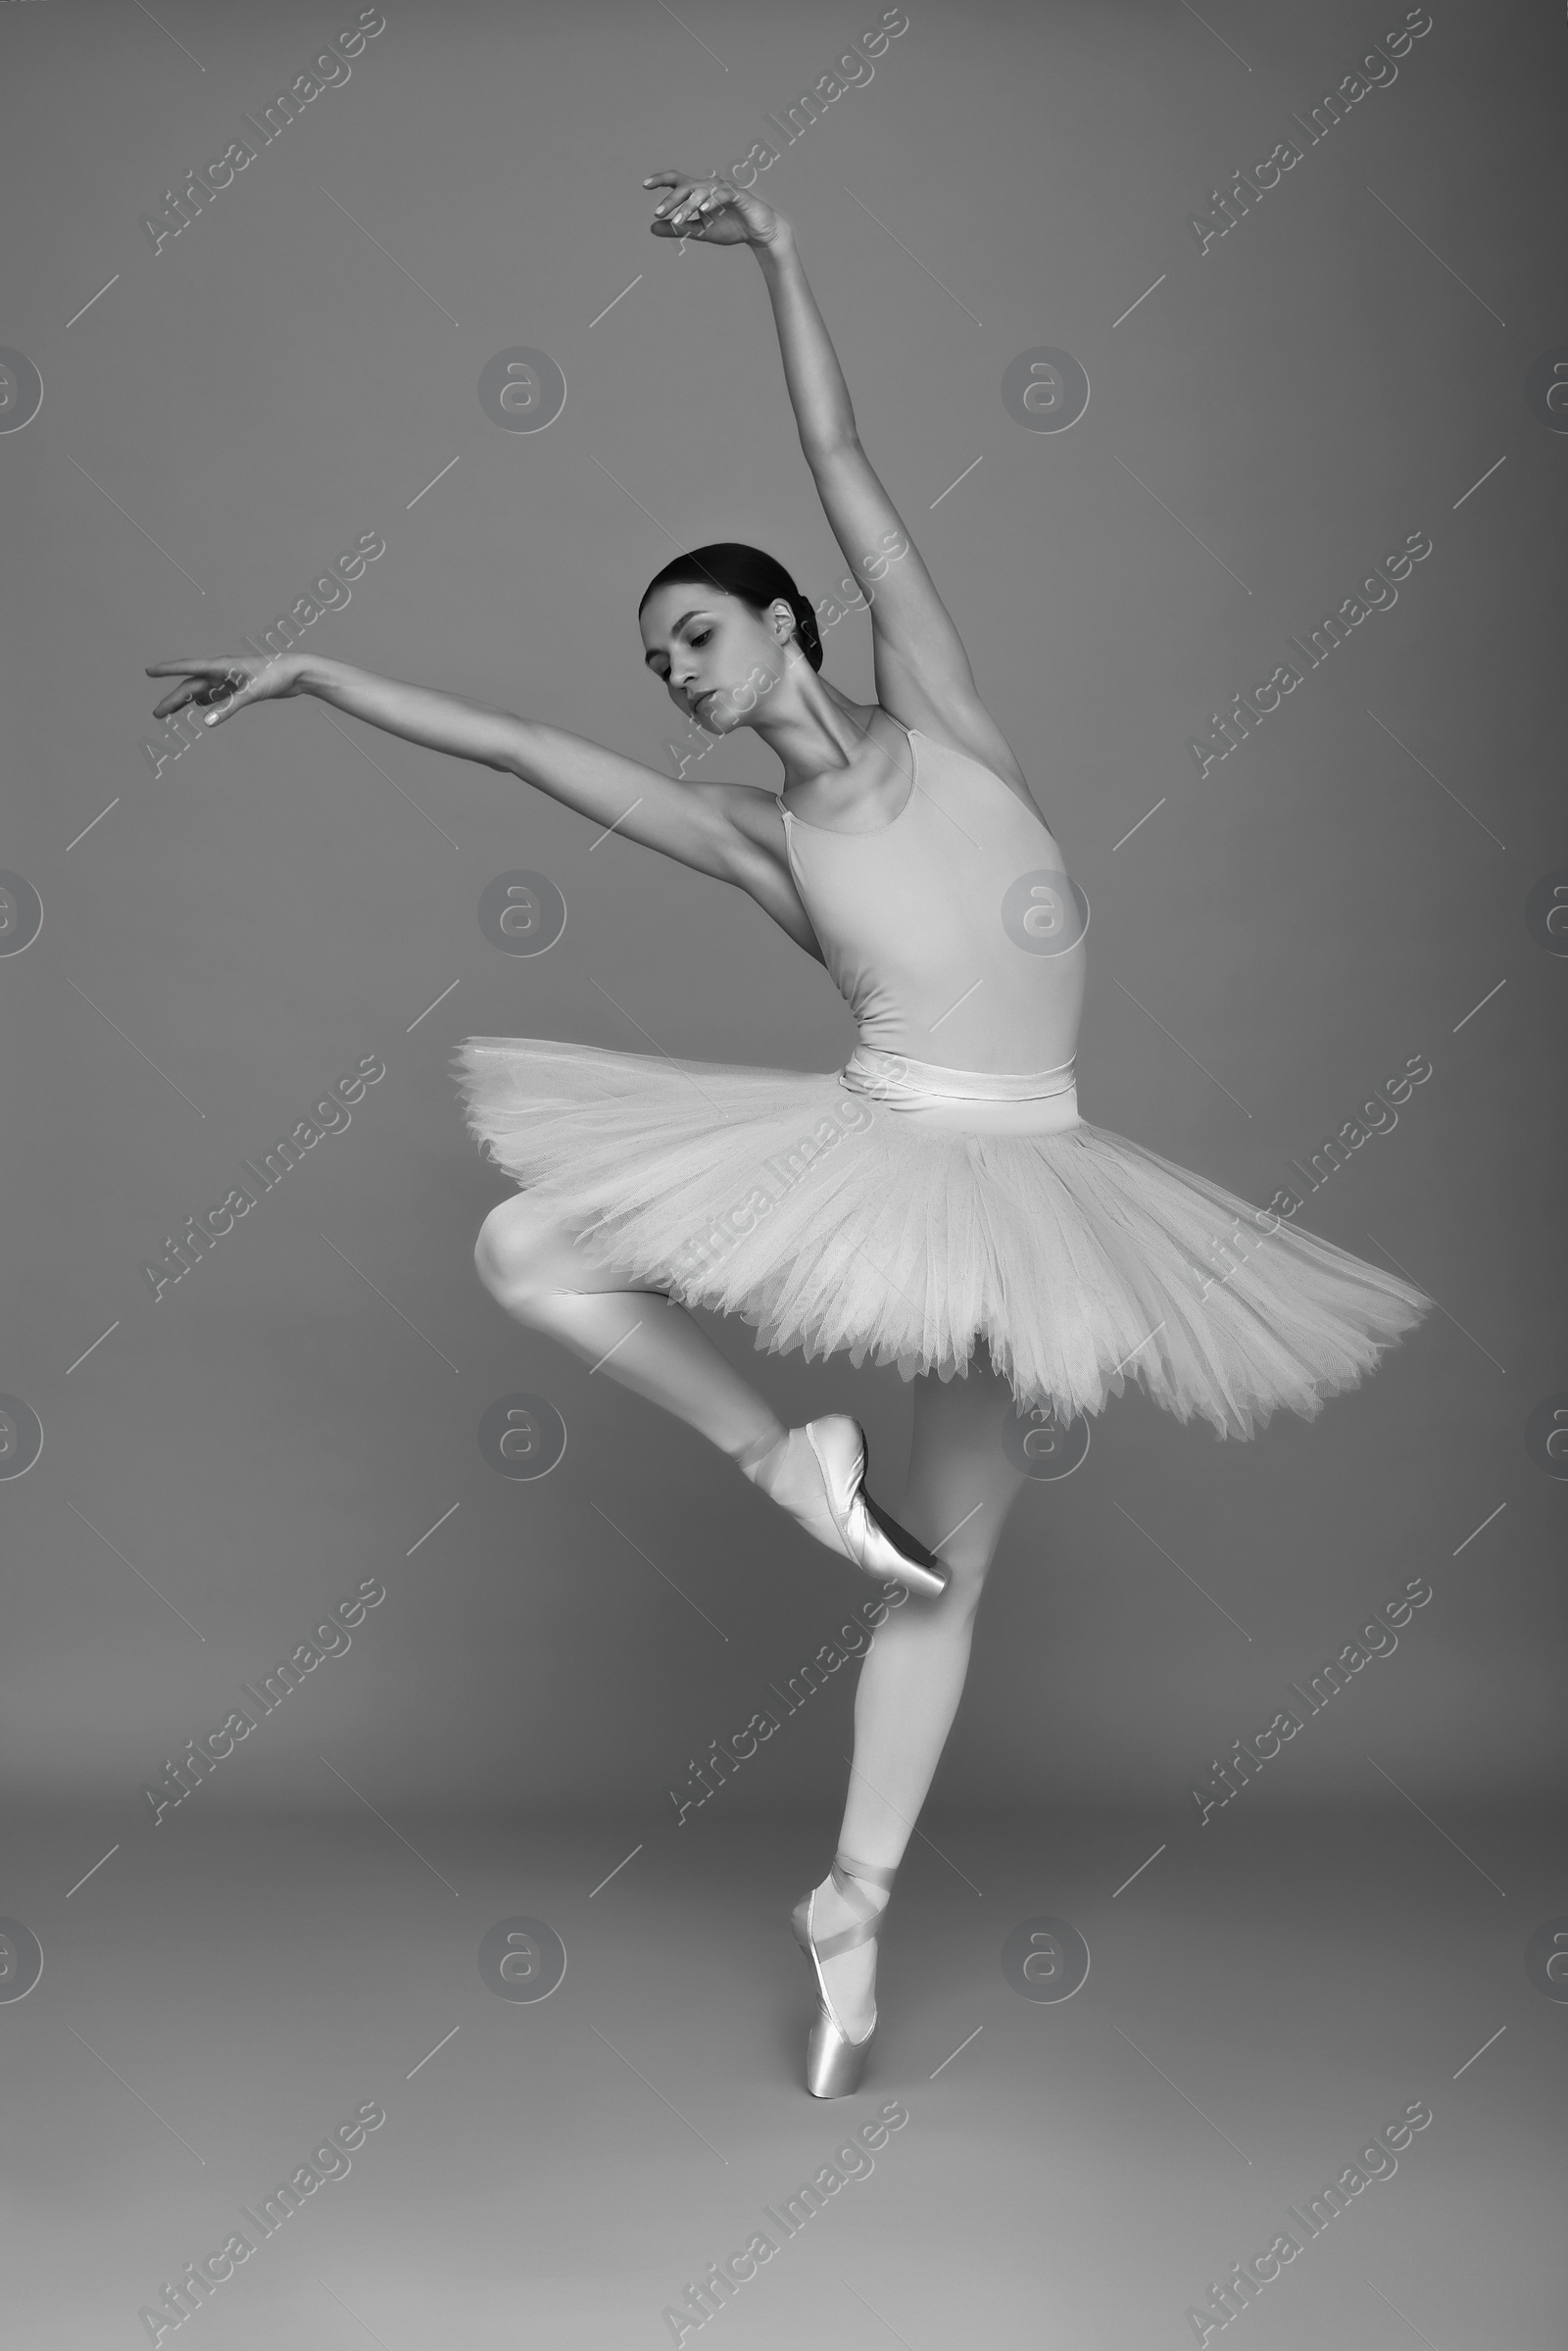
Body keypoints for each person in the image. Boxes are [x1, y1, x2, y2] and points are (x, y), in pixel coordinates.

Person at [148, 168, 1432, 2100]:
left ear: (777, 623)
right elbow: (515, 746)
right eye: (657, 663)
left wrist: (785, 253)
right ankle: (779, 1463)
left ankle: (850, 1903)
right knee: (525, 1248)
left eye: (692, 632)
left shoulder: (945, 712)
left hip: (1037, 1179)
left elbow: (836, 455)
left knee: (948, 1580)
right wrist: (317, 674)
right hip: (885, 1147)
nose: (674, 670)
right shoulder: (757, 841)